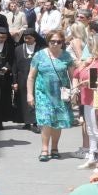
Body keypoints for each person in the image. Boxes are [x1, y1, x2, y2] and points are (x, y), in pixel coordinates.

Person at [27, 32, 76, 160]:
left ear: (62, 42)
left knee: (58, 121)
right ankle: (44, 149)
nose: (55, 44)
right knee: (46, 120)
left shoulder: (66, 56)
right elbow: (31, 77)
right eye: (52, 41)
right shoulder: (39, 55)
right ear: (47, 42)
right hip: (43, 93)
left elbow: (73, 76)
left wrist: (75, 91)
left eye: (58, 41)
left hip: (61, 94)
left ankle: (54, 148)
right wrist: (29, 94)